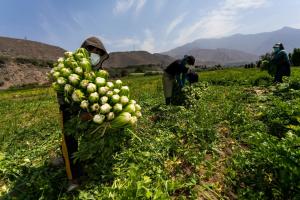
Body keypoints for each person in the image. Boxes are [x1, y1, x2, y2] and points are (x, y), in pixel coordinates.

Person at [52, 37, 109, 192]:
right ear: (84, 50)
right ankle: (73, 178)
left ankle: (68, 159)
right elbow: (60, 89)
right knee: (69, 139)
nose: (95, 54)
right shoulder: (70, 68)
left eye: (99, 52)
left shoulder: (99, 73)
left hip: (89, 112)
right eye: (92, 50)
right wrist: (74, 109)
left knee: (91, 135)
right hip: (69, 110)